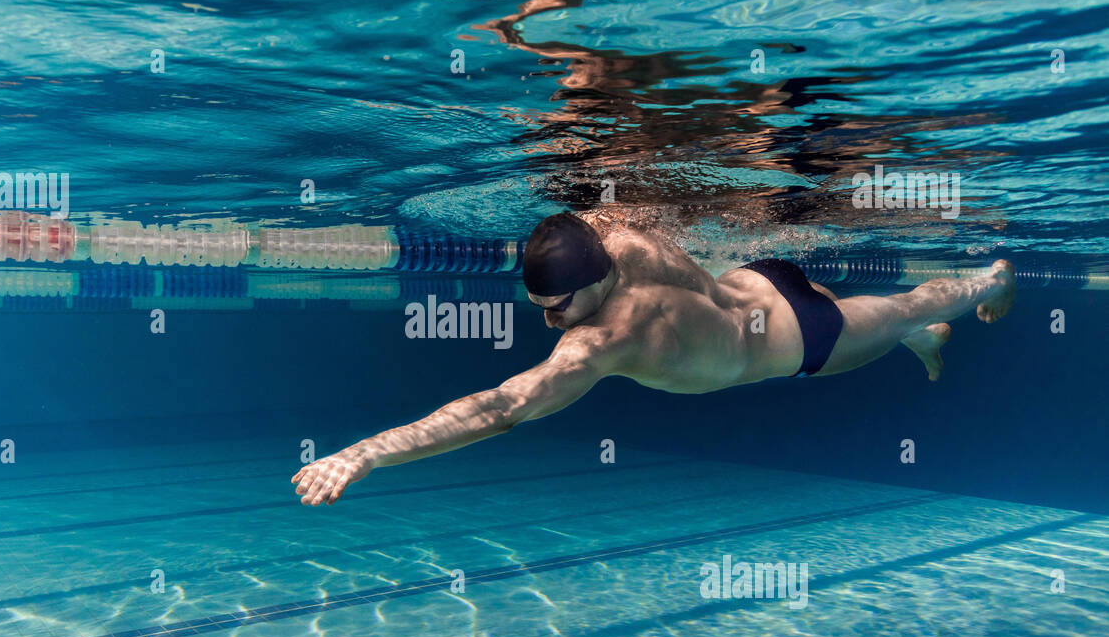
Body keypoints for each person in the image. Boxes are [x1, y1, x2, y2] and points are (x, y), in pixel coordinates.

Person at [292, 211, 1015, 505]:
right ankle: (920, 339)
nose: (548, 322)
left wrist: (365, 454)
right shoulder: (610, 231)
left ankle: (992, 280)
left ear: (596, 281)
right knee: (902, 324)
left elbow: (502, 407)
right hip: (762, 278)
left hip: (800, 341)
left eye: (558, 308)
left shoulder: (605, 340)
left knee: (915, 304)